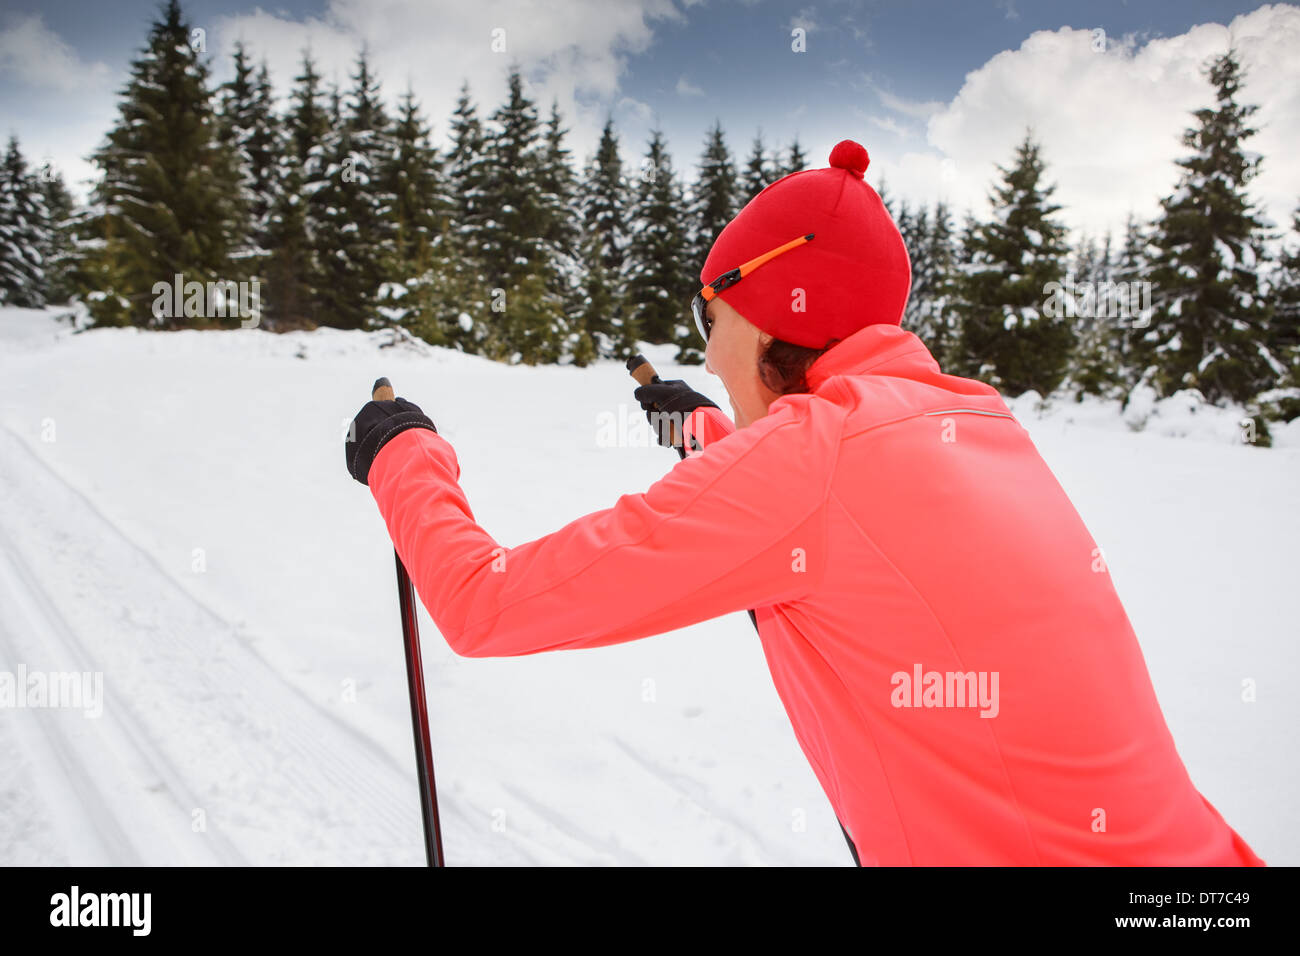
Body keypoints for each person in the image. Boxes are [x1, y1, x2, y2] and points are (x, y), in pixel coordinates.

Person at [344, 139, 1265, 867]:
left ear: (775, 312)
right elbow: (845, 507)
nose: (706, 351)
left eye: (715, 317)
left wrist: (403, 455)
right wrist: (708, 435)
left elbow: (487, 602)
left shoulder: (807, 462)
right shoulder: (974, 421)